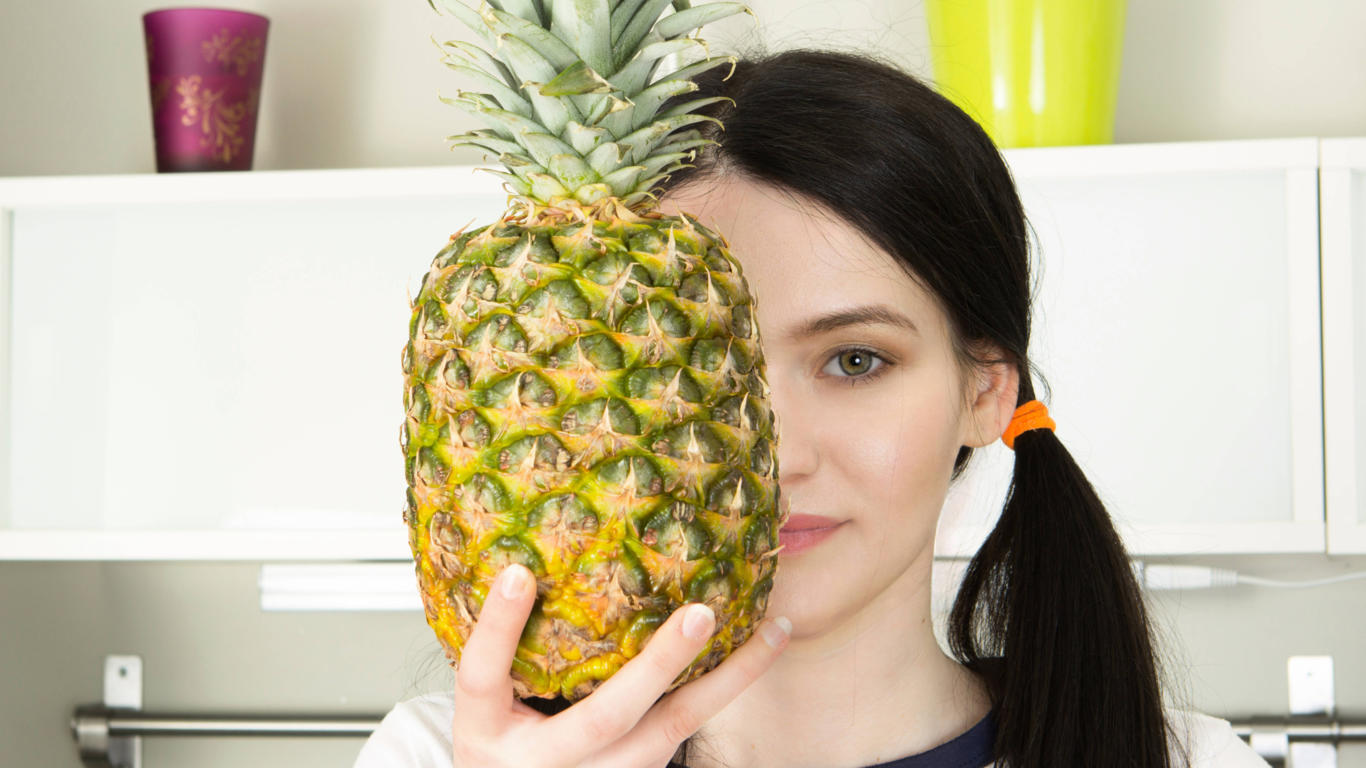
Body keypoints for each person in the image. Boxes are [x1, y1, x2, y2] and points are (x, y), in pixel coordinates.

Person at [356, 49, 1272, 768]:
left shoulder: (1188, 761)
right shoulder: (436, 758)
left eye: (854, 360)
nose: (774, 455)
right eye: (699, 364)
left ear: (986, 390)